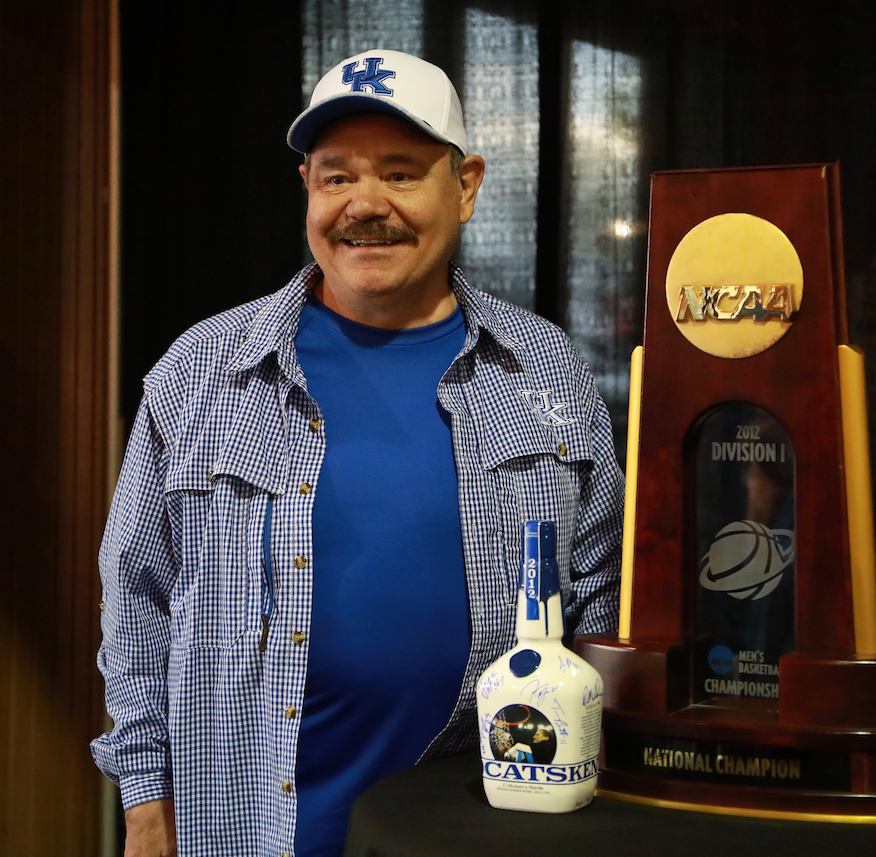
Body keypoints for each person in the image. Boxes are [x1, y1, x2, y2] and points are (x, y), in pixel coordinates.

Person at [92, 49, 624, 857]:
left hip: (478, 827)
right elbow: (137, 606)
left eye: (402, 173)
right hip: (243, 828)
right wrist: (144, 803)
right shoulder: (202, 371)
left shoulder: (543, 370)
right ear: (307, 187)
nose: (364, 205)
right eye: (336, 176)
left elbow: (604, 594)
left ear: (468, 185)